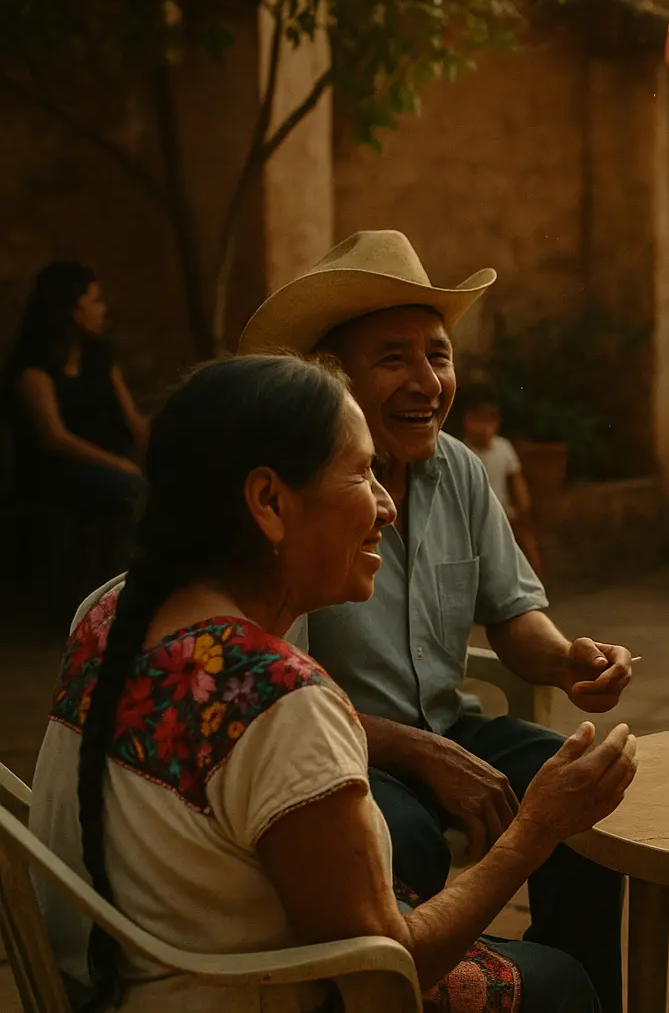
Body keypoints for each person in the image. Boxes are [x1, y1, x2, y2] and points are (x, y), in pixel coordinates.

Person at [28, 355, 635, 1013]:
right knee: (564, 981)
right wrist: (536, 828)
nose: (386, 507)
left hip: (124, 982)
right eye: (363, 472)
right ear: (268, 502)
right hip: (240, 994)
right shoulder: (278, 697)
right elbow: (383, 974)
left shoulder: (109, 612)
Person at [236, 230, 635, 1013]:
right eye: (394, 358)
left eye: (439, 355)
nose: (428, 382)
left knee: (583, 795)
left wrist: (568, 660)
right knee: (405, 836)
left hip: (450, 724)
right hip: (348, 750)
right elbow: (280, 697)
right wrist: (418, 754)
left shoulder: (462, 471)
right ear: (333, 378)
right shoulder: (307, 501)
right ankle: (419, 990)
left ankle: (567, 988)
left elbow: (515, 617)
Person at [2, 261, 148, 622]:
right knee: (129, 488)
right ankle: (115, 602)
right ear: (70, 307)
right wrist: (116, 464)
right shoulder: (33, 365)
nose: (103, 309)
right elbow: (54, 438)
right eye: (94, 299)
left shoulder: (100, 357)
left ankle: (136, 592)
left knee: (143, 488)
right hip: (54, 474)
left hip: (106, 469)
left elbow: (133, 421)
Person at [457, 381, 545, 580]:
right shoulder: (462, 452)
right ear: (467, 421)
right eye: (477, 421)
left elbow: (516, 479)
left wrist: (523, 506)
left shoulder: (503, 447)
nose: (484, 428)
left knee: (526, 538)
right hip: (474, 514)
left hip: (504, 511)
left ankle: (536, 581)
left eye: (489, 422)